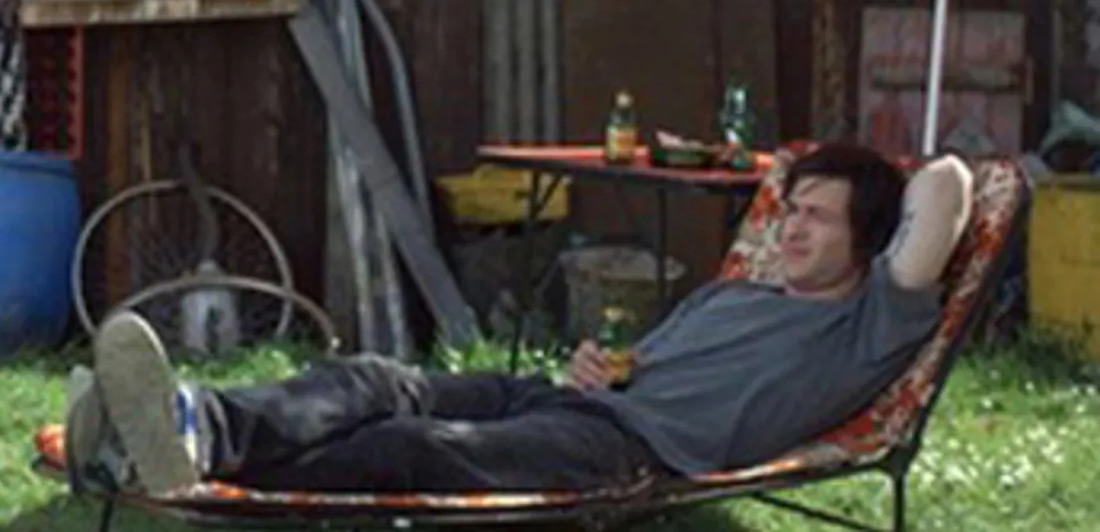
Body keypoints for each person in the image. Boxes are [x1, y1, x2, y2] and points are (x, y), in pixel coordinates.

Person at [64, 142, 973, 498]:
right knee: (378, 379)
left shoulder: (868, 326)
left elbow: (949, 185)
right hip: (571, 401)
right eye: (790, 210)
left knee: (416, 446)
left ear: (870, 238)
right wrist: (603, 363)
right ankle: (197, 424)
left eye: (817, 217)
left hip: (629, 450)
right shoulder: (740, 293)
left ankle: (180, 477)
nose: (790, 229)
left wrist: (899, 194)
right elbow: (641, 365)